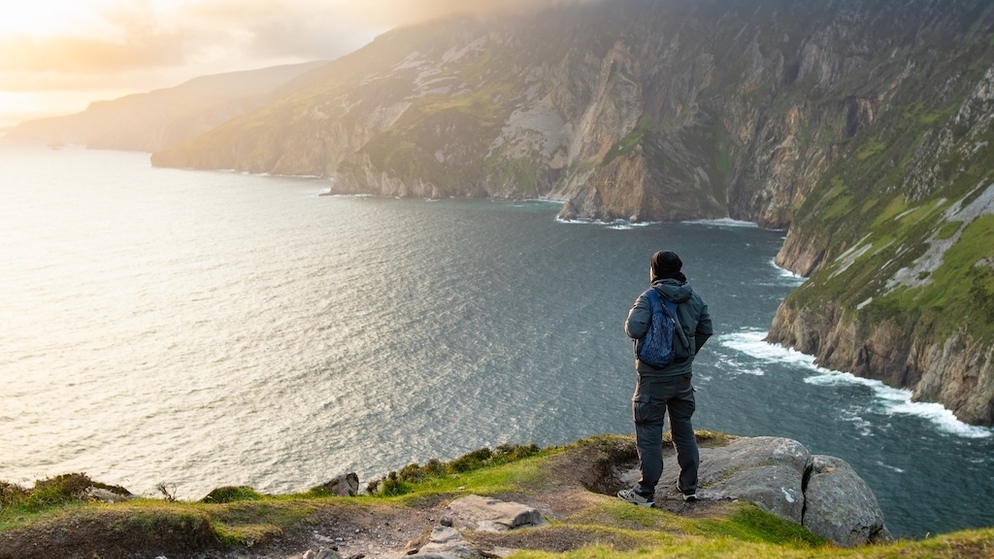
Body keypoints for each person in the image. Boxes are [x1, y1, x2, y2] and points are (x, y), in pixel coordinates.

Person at [617, 250, 712, 507]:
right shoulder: (694, 297)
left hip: (653, 380)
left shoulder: (649, 298)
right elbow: (706, 329)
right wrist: (686, 354)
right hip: (682, 378)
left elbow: (633, 329)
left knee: (649, 431)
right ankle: (689, 487)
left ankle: (645, 492)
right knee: (683, 429)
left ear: (655, 271)